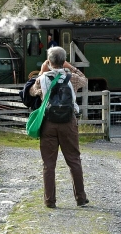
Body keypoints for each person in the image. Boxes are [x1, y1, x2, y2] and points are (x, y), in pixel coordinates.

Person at [29, 46, 88, 209]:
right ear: (63, 61)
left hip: (48, 123)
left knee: (49, 164)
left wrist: (42, 72)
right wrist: (71, 67)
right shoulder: (72, 78)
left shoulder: (42, 79)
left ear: (49, 61)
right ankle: (81, 199)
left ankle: (50, 201)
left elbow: (33, 92)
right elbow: (85, 80)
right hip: (68, 122)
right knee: (74, 160)